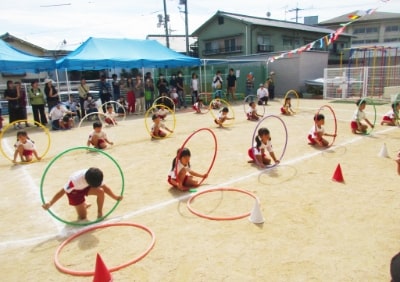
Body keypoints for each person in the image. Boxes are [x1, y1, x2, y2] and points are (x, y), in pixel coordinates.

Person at [41, 167, 123, 220]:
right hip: (74, 192)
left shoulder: (95, 175)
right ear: (87, 181)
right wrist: (50, 203)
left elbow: (105, 188)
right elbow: (62, 191)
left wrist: (115, 197)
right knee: (83, 217)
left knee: (100, 191)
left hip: (85, 187)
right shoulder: (74, 181)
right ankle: (83, 204)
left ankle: (99, 212)